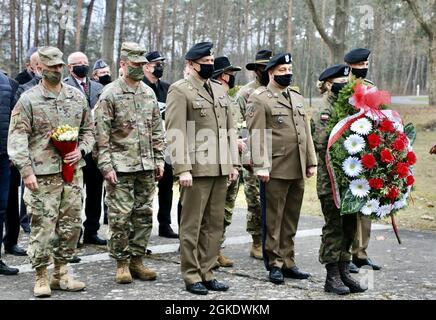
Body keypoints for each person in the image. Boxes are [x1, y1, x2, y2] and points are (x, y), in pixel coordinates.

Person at [8, 46, 94, 297]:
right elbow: (17, 138)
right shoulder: (29, 99)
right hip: (41, 176)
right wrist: (26, 172)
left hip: (72, 173)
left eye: (60, 66)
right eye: (52, 66)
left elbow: (89, 131)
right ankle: (41, 275)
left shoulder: (76, 97)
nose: (57, 70)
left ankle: (62, 273)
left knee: (71, 226)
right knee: (43, 227)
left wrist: (81, 150)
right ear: (40, 69)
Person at [165, 42, 239, 295]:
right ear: (191, 64)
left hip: (219, 168)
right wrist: (182, 169)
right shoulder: (180, 90)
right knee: (192, 225)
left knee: (214, 225)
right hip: (196, 169)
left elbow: (229, 130)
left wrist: (231, 164)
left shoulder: (219, 90)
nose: (208, 66)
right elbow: (175, 132)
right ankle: (191, 274)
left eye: (211, 62)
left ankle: (208, 272)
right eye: (204, 63)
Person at [94, 42, 165, 284]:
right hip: (120, 167)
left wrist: (159, 159)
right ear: (123, 65)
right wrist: (106, 166)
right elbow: (100, 135)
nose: (140, 68)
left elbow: (157, 129)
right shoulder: (110, 94)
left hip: (146, 166)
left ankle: (137, 259)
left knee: (144, 215)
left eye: (142, 65)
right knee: (120, 217)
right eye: (135, 65)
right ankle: (122, 263)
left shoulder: (148, 93)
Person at [246, 53, 317, 284]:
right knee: (273, 218)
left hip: (296, 165)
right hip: (274, 167)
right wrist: (261, 166)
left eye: (289, 69)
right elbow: (256, 135)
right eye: (282, 70)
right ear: (271, 73)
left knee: (291, 217)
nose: (287, 73)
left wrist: (310, 161)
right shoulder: (260, 98)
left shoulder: (296, 97)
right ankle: (274, 263)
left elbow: (305, 132)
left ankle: (288, 261)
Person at [312, 64, 368, 295]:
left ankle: (344, 270)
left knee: (350, 226)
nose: (344, 84)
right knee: (334, 227)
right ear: (327, 83)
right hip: (331, 179)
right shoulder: (323, 109)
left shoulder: (351, 105)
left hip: (351, 179)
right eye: (339, 80)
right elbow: (323, 142)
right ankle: (331, 275)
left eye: (346, 80)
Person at [344, 48, 381, 273]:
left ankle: (361, 253)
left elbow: (378, 115)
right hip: (348, 151)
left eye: (365, 64)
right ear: (349, 66)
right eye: (358, 65)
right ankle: (345, 254)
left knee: (366, 203)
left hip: (368, 150)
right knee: (349, 205)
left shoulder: (371, 87)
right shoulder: (341, 86)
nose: (363, 68)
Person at [64, 52, 107, 248]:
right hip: (73, 147)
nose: (82, 66)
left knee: (96, 192)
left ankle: (92, 231)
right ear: (69, 67)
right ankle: (75, 234)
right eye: (78, 64)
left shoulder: (98, 87)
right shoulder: (65, 87)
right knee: (74, 195)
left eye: (85, 63)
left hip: (96, 148)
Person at [236, 49, 273, 260]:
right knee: (255, 200)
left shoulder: (280, 91)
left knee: (275, 200)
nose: (265, 72)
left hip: (278, 154)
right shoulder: (246, 94)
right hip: (252, 156)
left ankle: (274, 240)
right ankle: (257, 241)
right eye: (262, 68)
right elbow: (237, 124)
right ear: (257, 69)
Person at [211, 56, 244, 268]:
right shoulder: (212, 98)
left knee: (227, 210)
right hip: (218, 162)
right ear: (223, 75)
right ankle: (206, 252)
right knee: (213, 212)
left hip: (235, 162)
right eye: (231, 74)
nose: (232, 78)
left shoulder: (231, 100)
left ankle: (217, 249)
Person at [142, 51, 177, 239]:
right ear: (146, 66)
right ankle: (142, 228)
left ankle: (165, 223)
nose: (160, 66)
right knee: (145, 189)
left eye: (162, 63)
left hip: (165, 144)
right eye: (157, 63)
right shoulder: (141, 87)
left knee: (167, 185)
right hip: (144, 145)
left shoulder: (167, 89)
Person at [0, 70, 20, 275]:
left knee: (0, 208)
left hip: (2, 156)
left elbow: (15, 120)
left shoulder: (8, 83)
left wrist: (13, 151)